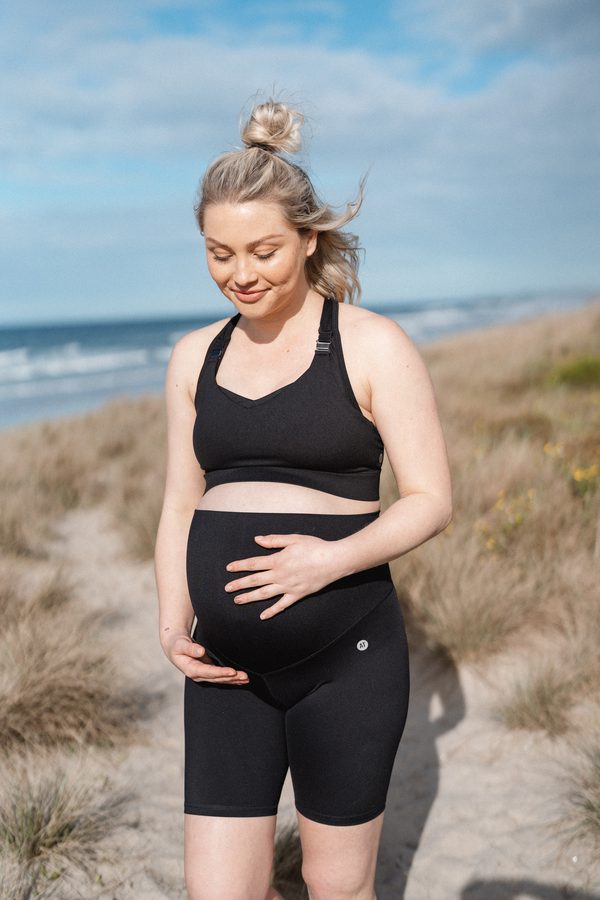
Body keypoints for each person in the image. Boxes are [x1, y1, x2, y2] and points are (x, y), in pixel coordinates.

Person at [154, 97, 452, 900]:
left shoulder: (371, 345)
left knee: (337, 888)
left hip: (344, 662)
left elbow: (431, 499)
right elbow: (180, 504)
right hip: (222, 670)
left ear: (308, 239)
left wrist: (329, 561)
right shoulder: (193, 357)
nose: (240, 274)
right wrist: (171, 619)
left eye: (263, 251)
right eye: (219, 254)